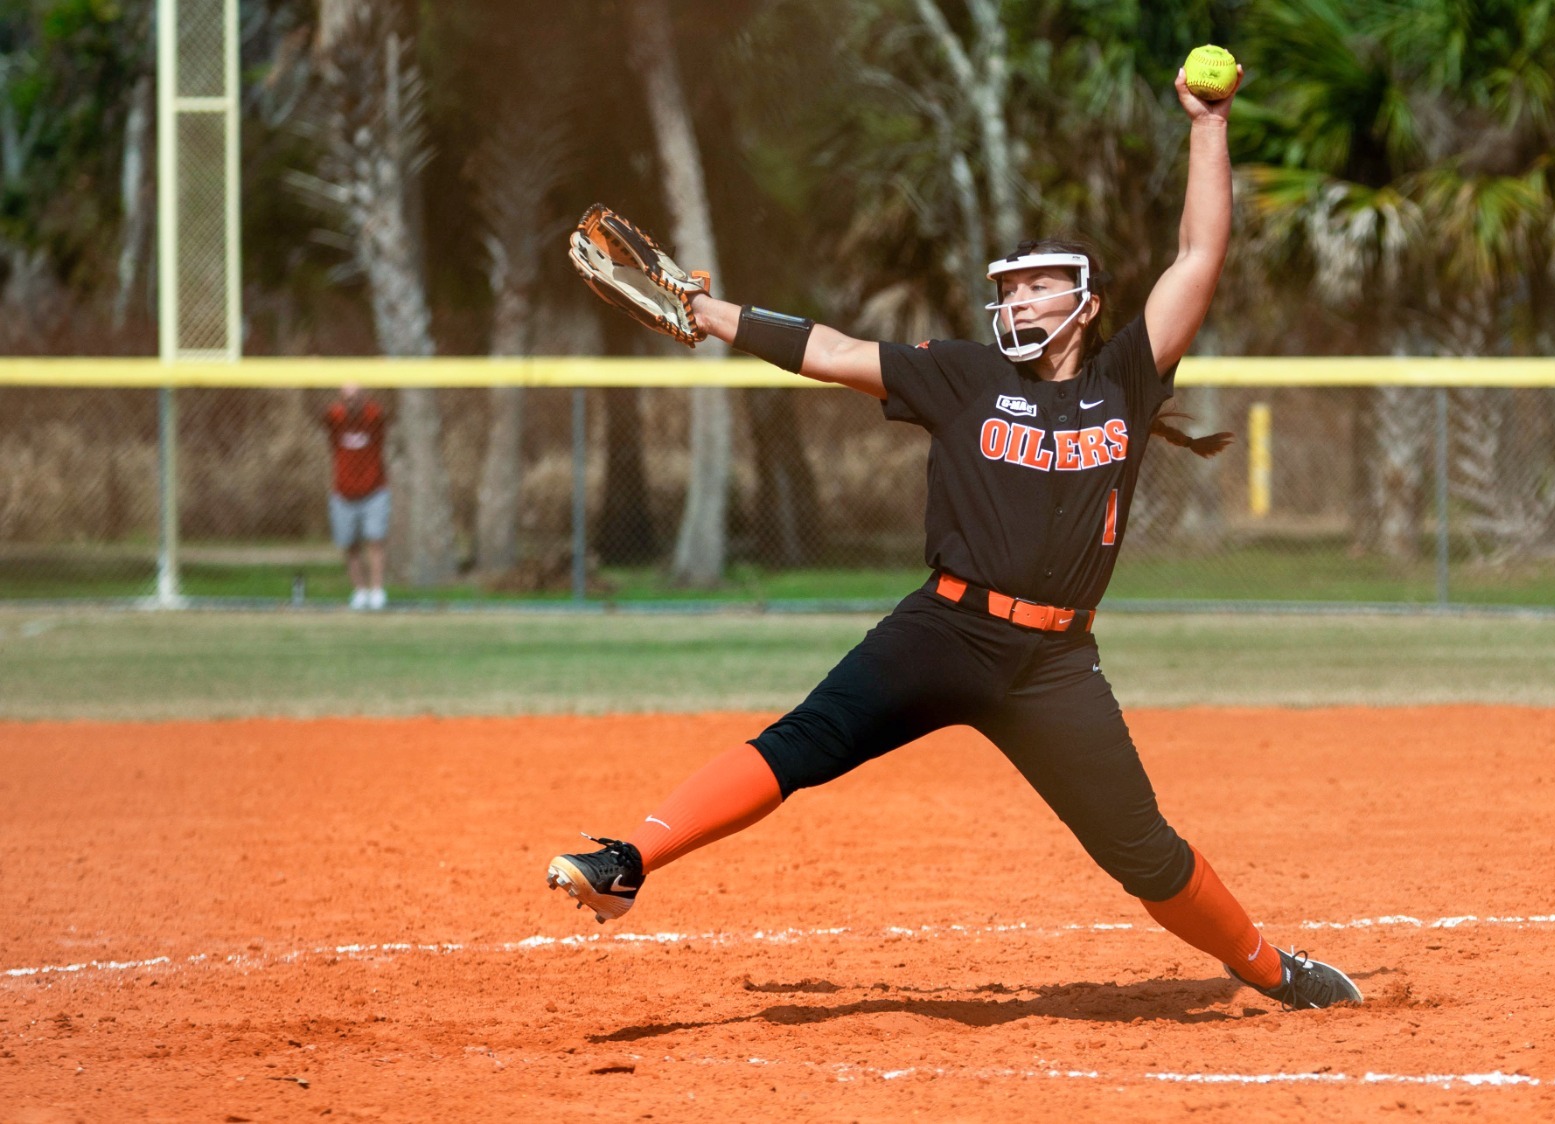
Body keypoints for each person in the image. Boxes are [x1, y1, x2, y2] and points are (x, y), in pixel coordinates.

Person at [547, 65, 1363, 1009]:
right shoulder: (964, 376)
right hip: (943, 632)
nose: (1016, 300)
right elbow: (836, 351)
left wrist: (1209, 125)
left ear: (1087, 302)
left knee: (1144, 853)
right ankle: (627, 859)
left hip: (1056, 664)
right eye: (1008, 288)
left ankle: (1273, 970)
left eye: (1038, 285)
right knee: (801, 743)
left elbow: (1198, 256)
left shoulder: (1127, 383)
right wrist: (707, 311)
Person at [323, 383, 390, 611]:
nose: (352, 401)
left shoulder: (373, 418)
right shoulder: (336, 419)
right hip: (343, 494)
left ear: (365, 397)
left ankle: (377, 592)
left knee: (375, 540)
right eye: (347, 397)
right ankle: (360, 591)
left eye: (356, 396)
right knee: (350, 545)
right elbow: (315, 410)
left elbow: (387, 408)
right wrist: (313, 374)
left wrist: (380, 375)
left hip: (374, 491)